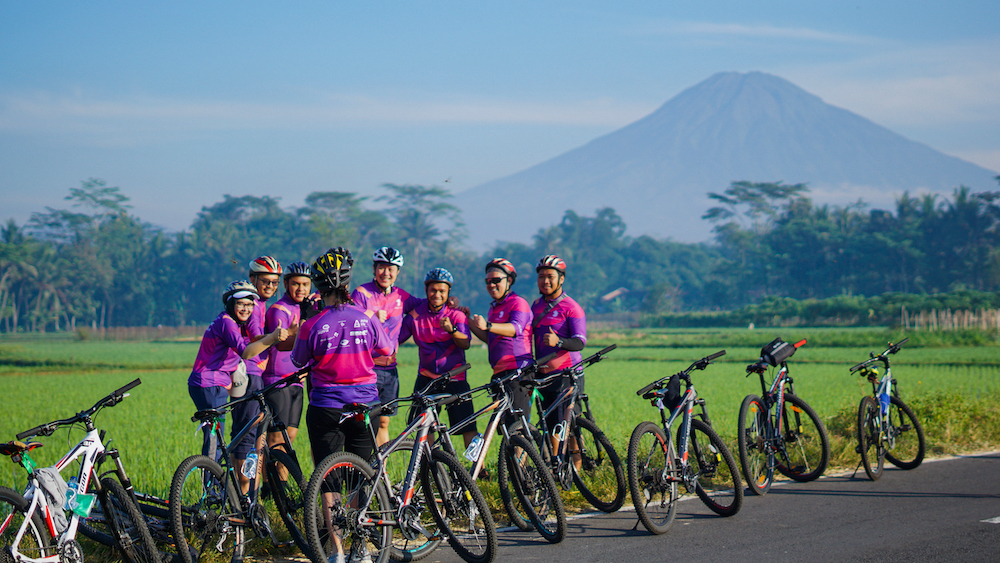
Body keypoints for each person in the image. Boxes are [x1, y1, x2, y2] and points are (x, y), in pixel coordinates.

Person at [291, 247, 391, 563]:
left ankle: (336, 552)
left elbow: (297, 360)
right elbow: (386, 350)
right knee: (361, 478)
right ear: (347, 285)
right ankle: (360, 550)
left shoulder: (312, 324)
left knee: (330, 481)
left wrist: (308, 322)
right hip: (364, 406)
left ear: (319, 289)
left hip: (326, 408)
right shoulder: (366, 318)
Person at [188, 280, 288, 492]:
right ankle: (211, 492)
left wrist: (281, 336)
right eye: (241, 304)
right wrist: (272, 338)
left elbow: (256, 339)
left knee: (219, 439)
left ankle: (218, 487)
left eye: (250, 305)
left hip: (214, 384)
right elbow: (246, 352)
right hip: (209, 384)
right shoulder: (227, 323)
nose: (246, 309)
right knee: (214, 440)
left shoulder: (236, 323)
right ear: (231, 305)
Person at [398, 268, 479, 449]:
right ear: (426, 290)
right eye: (433, 290)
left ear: (448, 292)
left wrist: (452, 330)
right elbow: (395, 340)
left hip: (455, 377)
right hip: (427, 378)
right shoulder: (415, 315)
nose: (437, 294)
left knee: (468, 425)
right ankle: (429, 466)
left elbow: (465, 343)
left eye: (442, 291)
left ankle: (479, 469)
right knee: (423, 426)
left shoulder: (456, 314)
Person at [351, 246, 420, 446]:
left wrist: (451, 304)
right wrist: (370, 315)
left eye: (391, 269)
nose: (386, 273)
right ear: (374, 269)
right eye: (382, 267)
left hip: (390, 369)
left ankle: (383, 470)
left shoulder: (401, 296)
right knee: (364, 422)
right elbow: (351, 320)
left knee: (383, 421)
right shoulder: (362, 293)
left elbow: (428, 304)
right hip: (366, 368)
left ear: (398, 272)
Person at [531, 255, 587, 459]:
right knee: (549, 422)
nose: (545, 281)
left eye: (550, 277)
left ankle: (575, 471)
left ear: (561, 279)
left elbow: (580, 342)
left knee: (569, 423)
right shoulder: (535, 306)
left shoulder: (571, 307)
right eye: (541, 277)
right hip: (544, 376)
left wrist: (560, 342)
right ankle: (556, 468)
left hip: (568, 374)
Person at [468, 258, 534, 424]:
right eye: (488, 281)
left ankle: (527, 451)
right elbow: (490, 338)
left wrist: (488, 325)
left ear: (509, 280)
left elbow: (515, 329)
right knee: (504, 429)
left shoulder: (518, 303)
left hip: (518, 371)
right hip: (499, 374)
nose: (491, 285)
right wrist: (466, 319)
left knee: (518, 427)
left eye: (496, 280)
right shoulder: (494, 308)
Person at [262, 261, 315, 455]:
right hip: (278, 381)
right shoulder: (279, 309)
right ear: (286, 284)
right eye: (296, 284)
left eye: (305, 284)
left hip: (297, 382)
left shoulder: (307, 309)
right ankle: (270, 485)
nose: (301, 289)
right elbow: (282, 344)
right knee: (276, 438)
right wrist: (301, 332)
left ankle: (281, 484)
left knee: (290, 437)